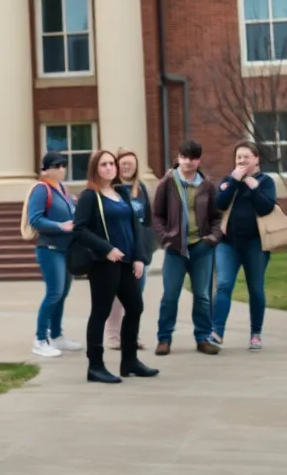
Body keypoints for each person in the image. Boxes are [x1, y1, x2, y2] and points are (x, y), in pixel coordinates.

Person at [72, 150, 158, 384]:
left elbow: (136, 227)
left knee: (135, 307)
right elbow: (79, 229)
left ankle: (129, 361)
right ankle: (95, 366)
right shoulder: (90, 196)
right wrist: (106, 248)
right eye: (104, 164)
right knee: (100, 312)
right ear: (95, 169)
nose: (110, 168)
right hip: (104, 264)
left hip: (129, 262)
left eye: (112, 163)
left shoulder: (122, 193)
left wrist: (139, 256)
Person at [151, 140, 222, 356]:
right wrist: (166, 238)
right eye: (184, 156)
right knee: (170, 296)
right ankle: (164, 339)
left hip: (201, 247)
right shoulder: (168, 182)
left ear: (198, 160)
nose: (187, 161)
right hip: (176, 249)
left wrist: (212, 238)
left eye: (192, 158)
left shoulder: (207, 185)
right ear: (179, 157)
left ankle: (203, 338)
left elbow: (217, 216)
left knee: (202, 296)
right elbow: (157, 215)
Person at [211, 142, 275, 352]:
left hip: (255, 245)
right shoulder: (230, 181)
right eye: (238, 157)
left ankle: (255, 334)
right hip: (228, 245)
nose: (241, 161)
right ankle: (217, 332)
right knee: (224, 285)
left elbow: (266, 207)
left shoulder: (265, 181)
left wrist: (251, 185)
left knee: (255, 289)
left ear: (256, 159)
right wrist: (233, 182)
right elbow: (219, 204)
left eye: (246, 157)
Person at [27, 151, 81, 357]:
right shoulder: (41, 189)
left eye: (63, 165)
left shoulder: (64, 190)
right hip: (49, 249)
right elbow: (36, 219)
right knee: (54, 293)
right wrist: (61, 226)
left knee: (62, 294)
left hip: (66, 249)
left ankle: (57, 335)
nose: (61, 169)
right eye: (56, 165)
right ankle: (40, 338)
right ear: (46, 169)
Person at [104, 148, 152, 351]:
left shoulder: (140, 189)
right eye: (123, 163)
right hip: (118, 248)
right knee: (117, 295)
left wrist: (147, 248)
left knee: (136, 297)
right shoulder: (110, 189)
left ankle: (131, 336)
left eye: (130, 164)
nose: (126, 167)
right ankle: (114, 336)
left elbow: (148, 219)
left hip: (138, 249)